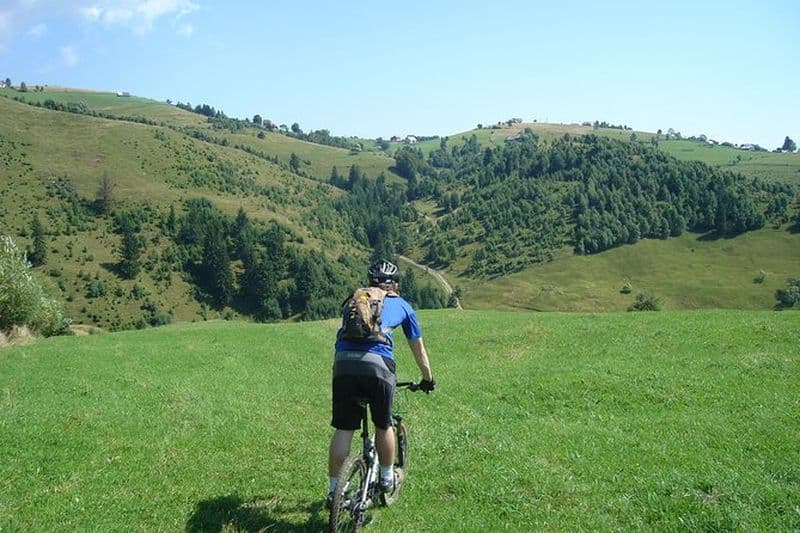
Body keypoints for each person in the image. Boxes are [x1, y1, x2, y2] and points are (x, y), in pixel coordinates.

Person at [327, 259, 435, 504]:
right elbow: (418, 350)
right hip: (378, 367)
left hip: (343, 364)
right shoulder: (403, 305)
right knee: (384, 425)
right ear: (394, 284)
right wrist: (428, 379)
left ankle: (334, 491)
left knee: (344, 430)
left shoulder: (356, 301)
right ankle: (386, 478)